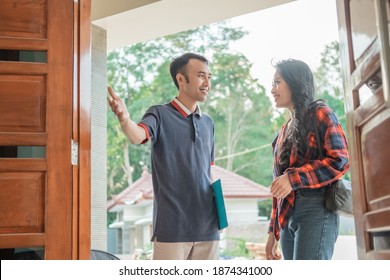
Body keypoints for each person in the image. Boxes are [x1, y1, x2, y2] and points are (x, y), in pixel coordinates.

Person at [107, 52, 220, 260]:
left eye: (209, 77)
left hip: (209, 229)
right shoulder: (159, 114)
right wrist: (124, 119)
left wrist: (219, 216)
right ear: (180, 79)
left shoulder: (208, 123)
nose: (207, 83)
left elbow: (208, 173)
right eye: (201, 76)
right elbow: (138, 135)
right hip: (172, 228)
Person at [265, 59, 350, 260]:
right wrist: (273, 232)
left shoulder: (321, 113)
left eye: (278, 82)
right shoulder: (282, 133)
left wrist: (293, 179)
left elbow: (340, 160)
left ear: (295, 83)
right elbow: (278, 187)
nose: (272, 90)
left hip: (316, 209)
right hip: (286, 218)